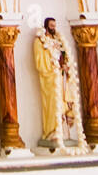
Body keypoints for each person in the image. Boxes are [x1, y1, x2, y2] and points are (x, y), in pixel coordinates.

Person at [32, 16, 84, 147]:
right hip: (50, 77)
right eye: (51, 25)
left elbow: (63, 55)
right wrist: (55, 67)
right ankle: (52, 132)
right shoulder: (40, 42)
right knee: (53, 102)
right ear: (46, 26)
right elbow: (40, 62)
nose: (53, 27)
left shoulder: (58, 40)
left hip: (62, 76)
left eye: (55, 25)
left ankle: (64, 132)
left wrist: (65, 65)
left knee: (65, 103)